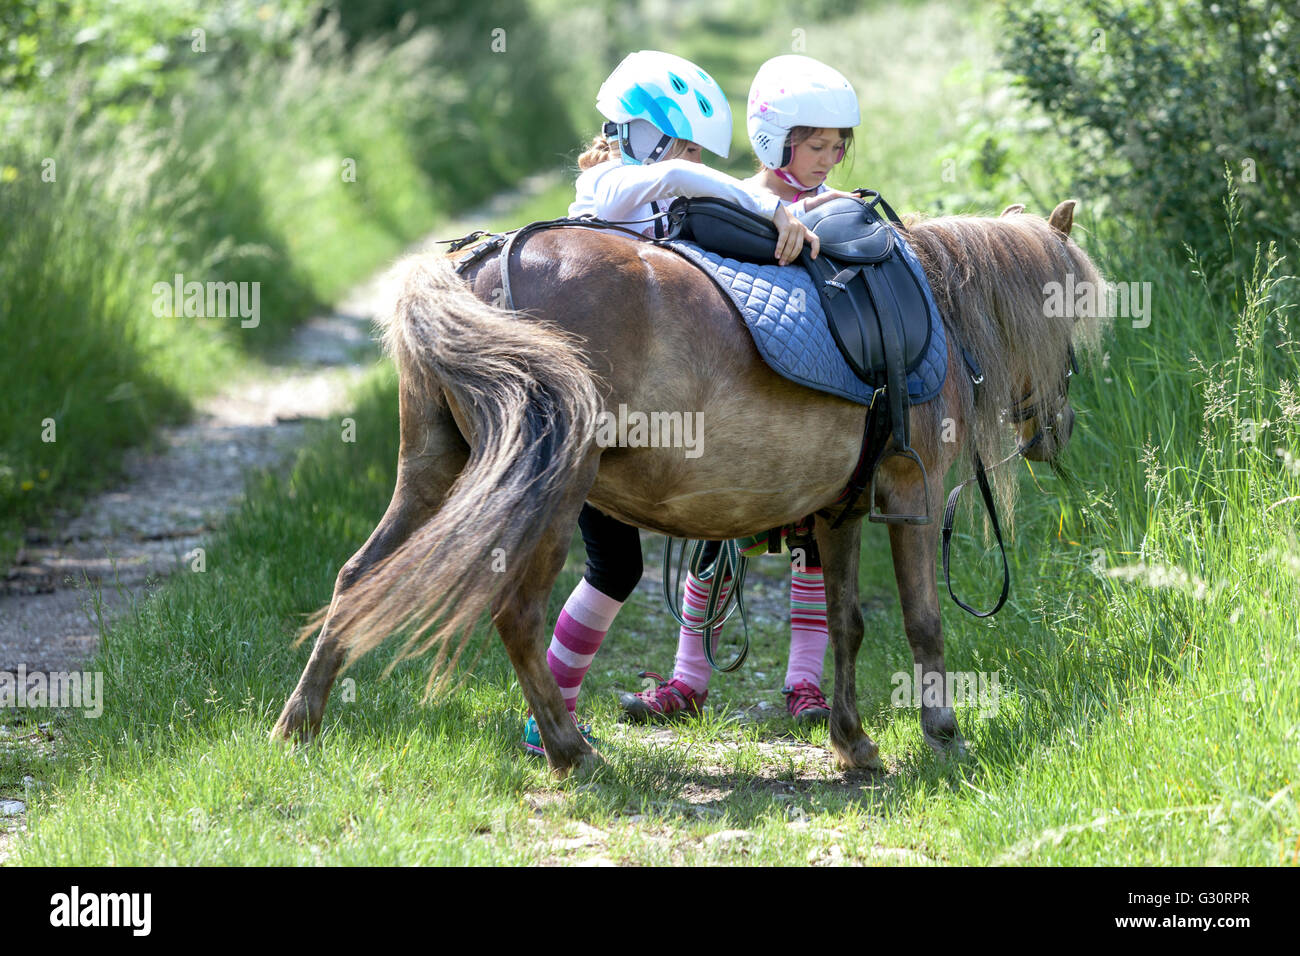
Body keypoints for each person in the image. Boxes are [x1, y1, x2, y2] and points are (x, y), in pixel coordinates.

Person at [522, 50, 818, 756]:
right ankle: (545, 715)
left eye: (685, 148)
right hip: (594, 396)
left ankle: (548, 716)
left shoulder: (632, 187)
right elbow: (683, 179)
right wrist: (770, 205)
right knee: (605, 564)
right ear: (644, 136)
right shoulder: (609, 184)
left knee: (615, 568)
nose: (683, 159)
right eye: (679, 144)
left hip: (613, 391)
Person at [617, 54, 862, 726]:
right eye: (816, 146)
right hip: (740, 396)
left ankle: (804, 684)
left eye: (838, 147)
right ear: (775, 139)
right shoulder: (730, 201)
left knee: (813, 542)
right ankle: (688, 677)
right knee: (711, 544)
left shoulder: (837, 209)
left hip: (810, 404)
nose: (829, 160)